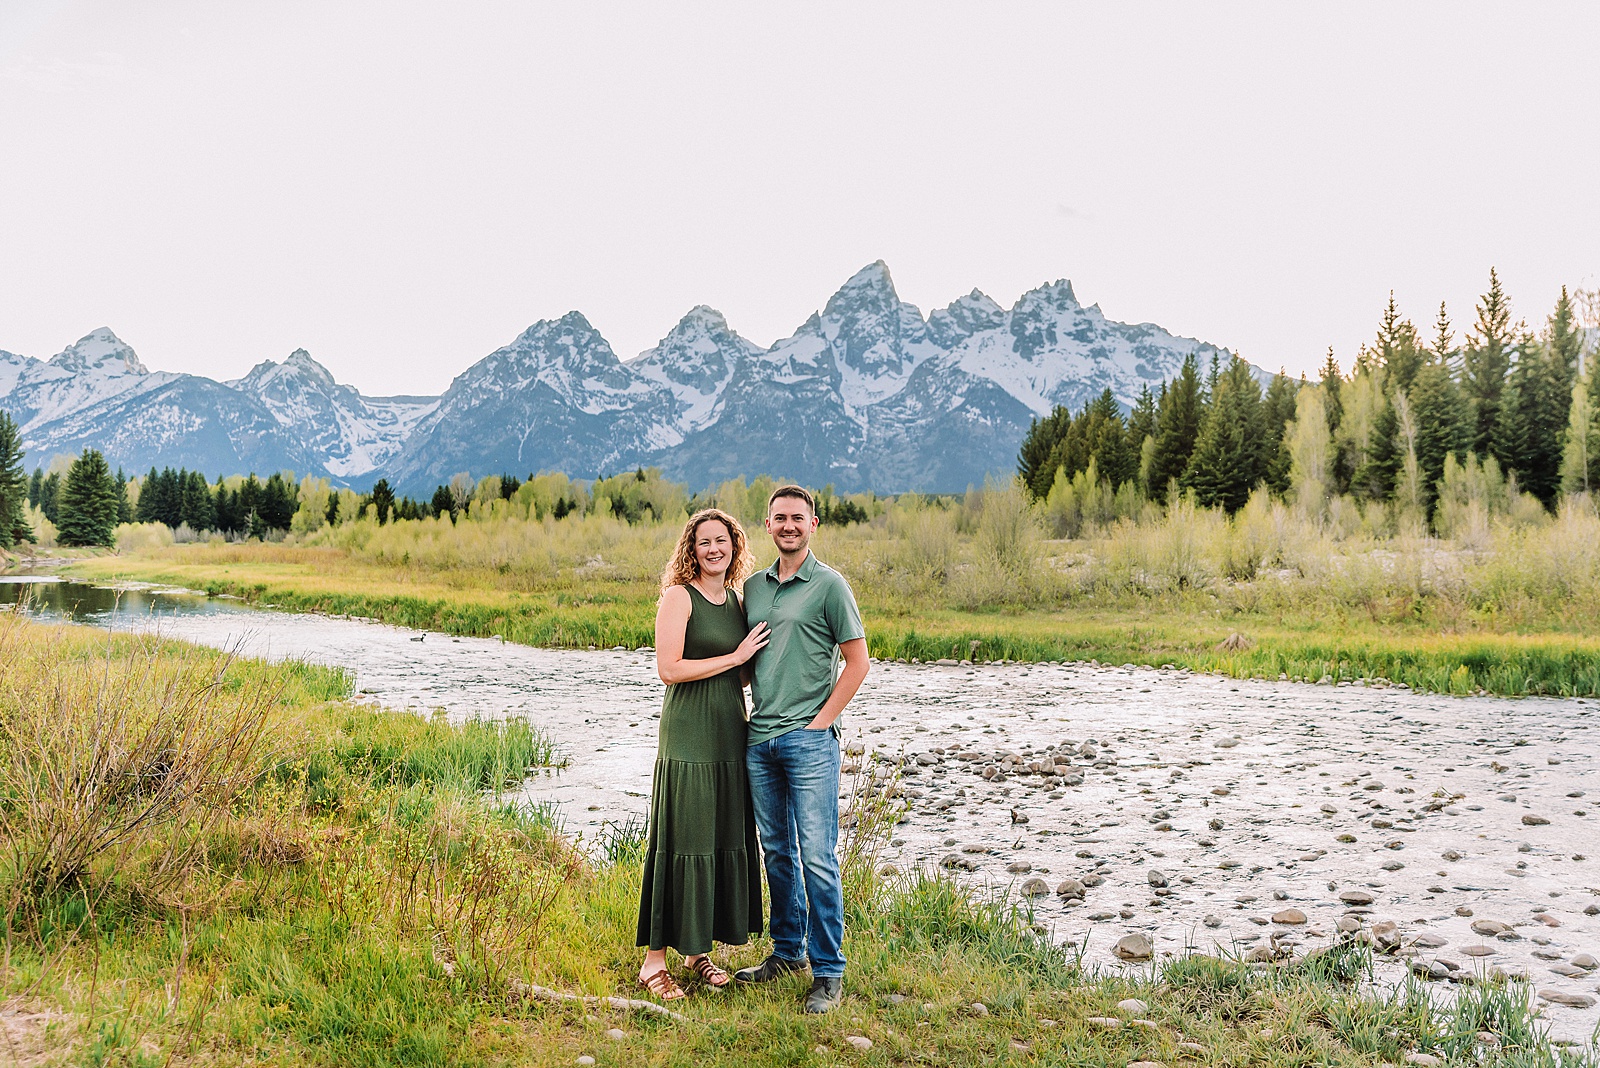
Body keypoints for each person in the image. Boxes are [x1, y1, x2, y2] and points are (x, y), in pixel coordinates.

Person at [734, 485, 869, 1014]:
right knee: (779, 855)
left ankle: (828, 971)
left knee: (817, 856)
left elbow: (857, 663)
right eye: (779, 518)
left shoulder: (831, 586)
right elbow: (748, 665)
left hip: (810, 743)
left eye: (798, 517)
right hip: (760, 740)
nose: (789, 525)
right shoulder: (754, 588)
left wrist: (821, 725)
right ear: (768, 526)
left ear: (815, 524)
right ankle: (787, 953)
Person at [635, 508, 769, 1000]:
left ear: (735, 546)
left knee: (714, 839)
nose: (714, 549)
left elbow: (740, 675)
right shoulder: (678, 597)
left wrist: (756, 665)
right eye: (704, 542)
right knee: (682, 839)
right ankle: (654, 963)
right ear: (690, 550)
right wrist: (735, 657)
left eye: (723, 540)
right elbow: (668, 668)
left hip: (729, 733)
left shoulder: (736, 600)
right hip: (689, 735)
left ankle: (695, 953)